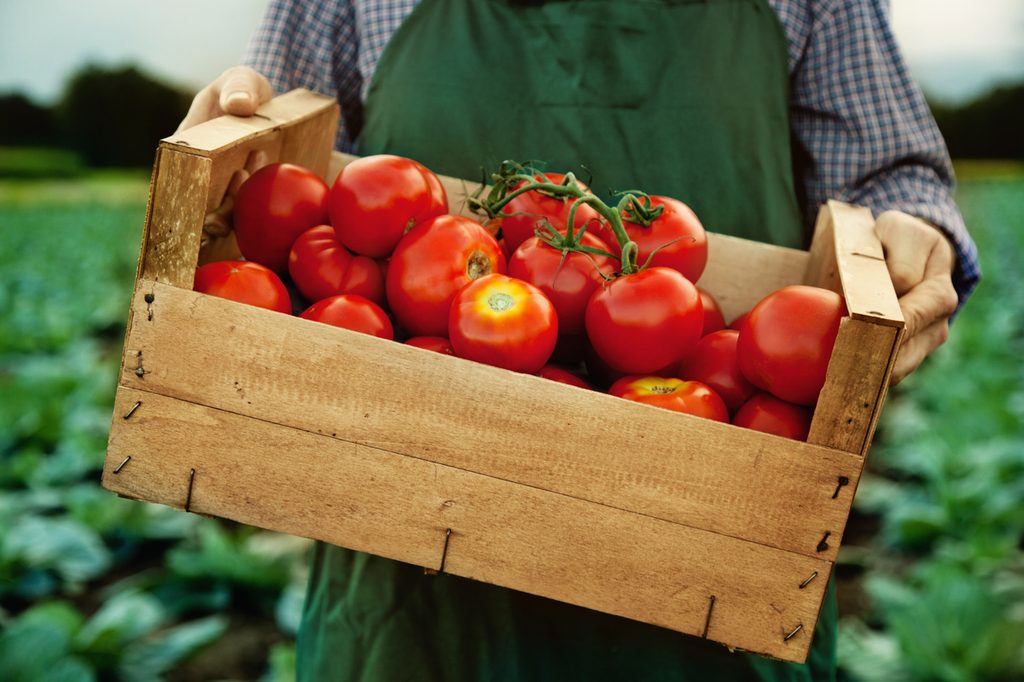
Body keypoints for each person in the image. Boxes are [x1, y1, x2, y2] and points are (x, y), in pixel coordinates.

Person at [179, 1, 980, 679]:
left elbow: (890, 176)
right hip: (405, 577)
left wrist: (914, 233)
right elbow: (281, 138)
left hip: (722, 565)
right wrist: (239, 129)